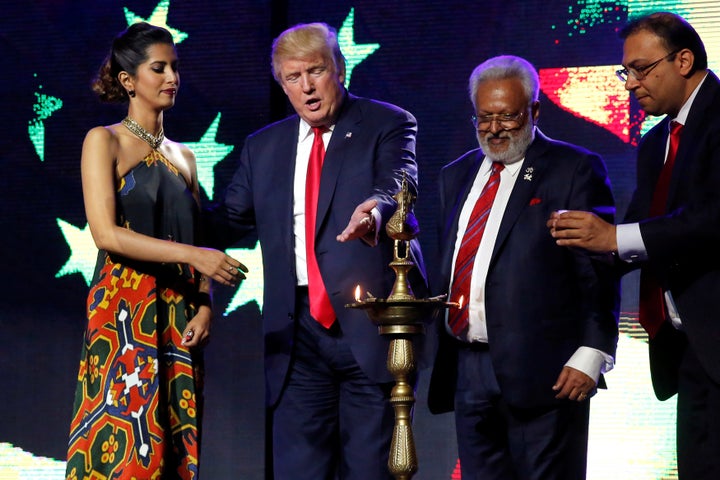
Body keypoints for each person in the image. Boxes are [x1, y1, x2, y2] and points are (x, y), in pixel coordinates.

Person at [204, 22, 428, 480]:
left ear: (339, 69)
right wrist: (166, 191)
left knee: (371, 470)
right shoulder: (263, 147)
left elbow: (399, 183)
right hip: (296, 335)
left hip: (369, 323)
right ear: (281, 84)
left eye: (316, 71)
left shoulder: (387, 122)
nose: (306, 86)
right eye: (292, 77)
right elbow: (228, 219)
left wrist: (376, 212)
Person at [64, 22, 247, 479]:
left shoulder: (185, 157)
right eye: (158, 68)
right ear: (128, 80)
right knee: (125, 447)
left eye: (175, 68)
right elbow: (105, 234)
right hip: (122, 312)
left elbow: (197, 238)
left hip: (179, 316)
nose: (172, 78)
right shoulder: (102, 141)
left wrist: (205, 305)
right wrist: (192, 257)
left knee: (176, 449)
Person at [427, 55, 619, 479]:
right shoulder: (455, 176)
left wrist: (593, 352)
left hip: (547, 371)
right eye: (484, 117)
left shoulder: (572, 168)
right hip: (467, 367)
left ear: (534, 111)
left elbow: (598, 269)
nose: (494, 128)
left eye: (508, 116)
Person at [548, 11, 720, 478]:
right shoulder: (655, 142)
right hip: (690, 350)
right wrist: (576, 242)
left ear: (683, 60)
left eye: (641, 69)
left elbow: (711, 219)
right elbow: (629, 239)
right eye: (626, 72)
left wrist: (613, 238)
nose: (629, 84)